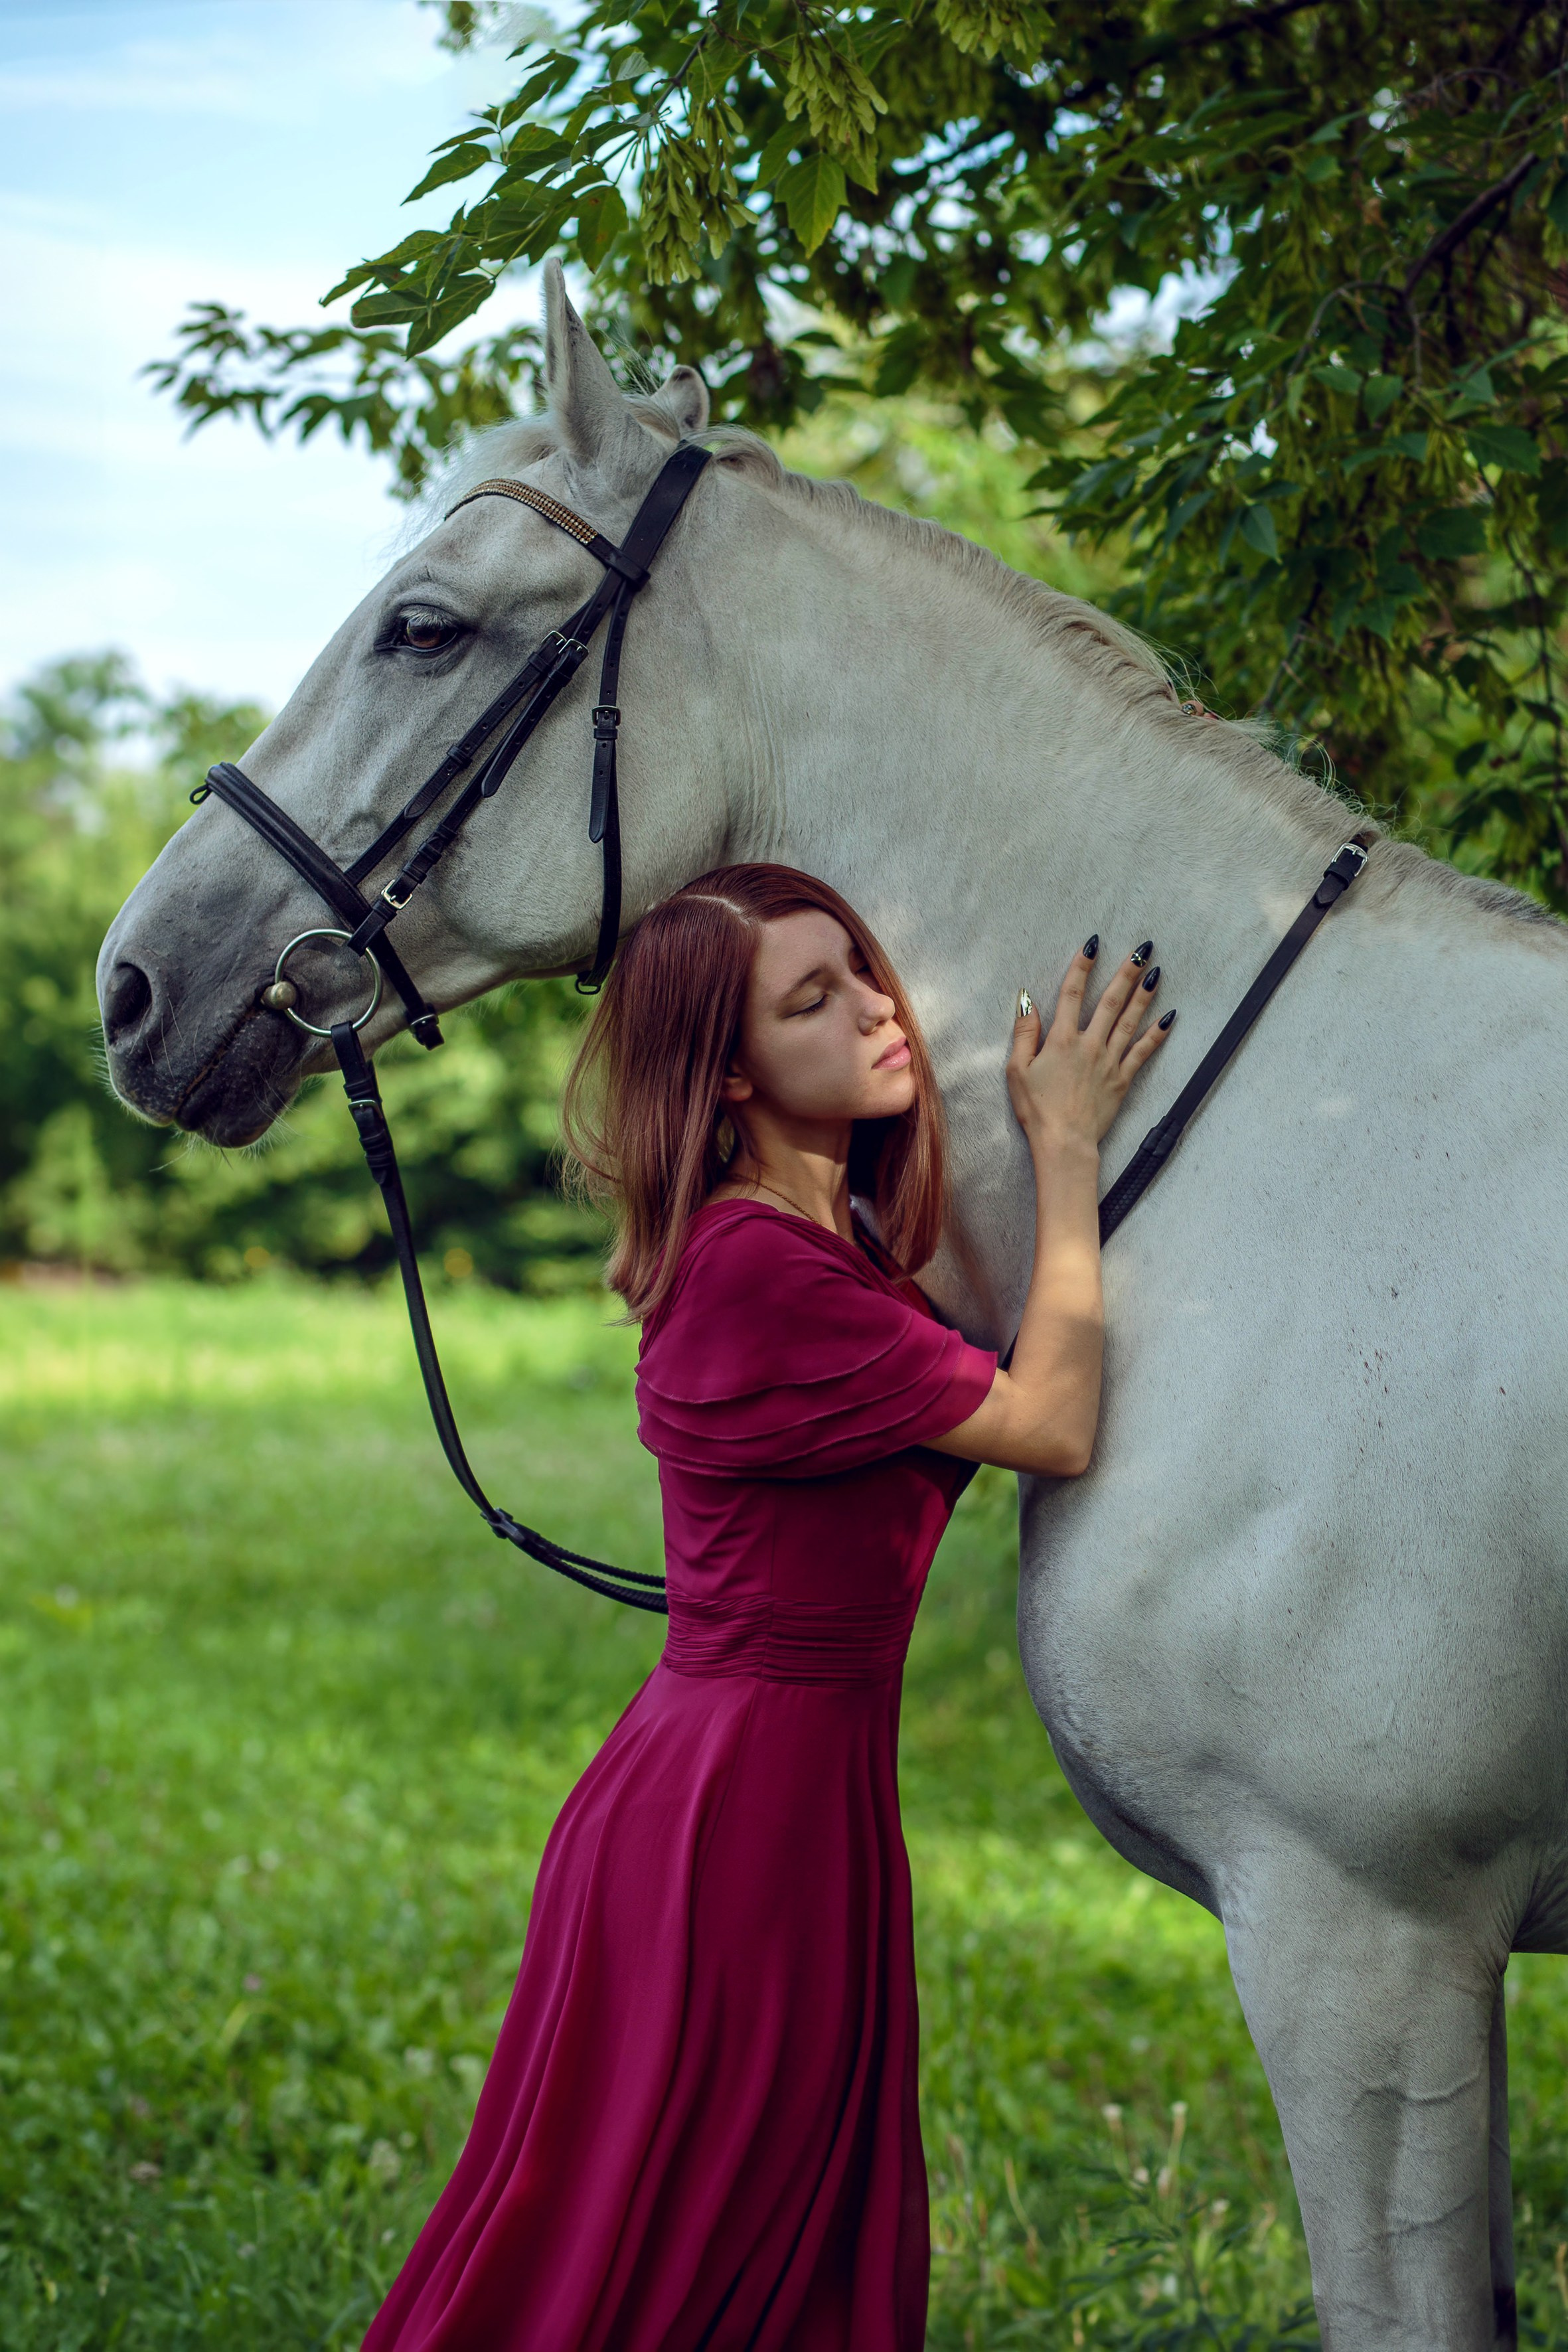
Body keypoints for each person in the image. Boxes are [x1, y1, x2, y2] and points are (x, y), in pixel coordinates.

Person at [362, 863, 1172, 2352]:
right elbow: (1052, 1425)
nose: (875, 1010)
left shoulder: (816, 1244)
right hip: (734, 1818)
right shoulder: (754, 1269)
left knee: (767, 2236)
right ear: (728, 1072)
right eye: (812, 999)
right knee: (668, 2249)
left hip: (792, 1792)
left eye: (860, 971)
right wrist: (1064, 1149)